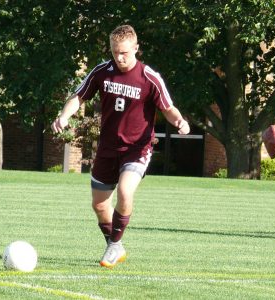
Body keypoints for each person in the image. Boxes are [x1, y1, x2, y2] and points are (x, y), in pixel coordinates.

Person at [51, 24, 190, 268]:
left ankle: (114, 244)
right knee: (99, 204)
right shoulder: (102, 72)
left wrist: (179, 121)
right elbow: (78, 97)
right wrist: (64, 117)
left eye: (124, 52)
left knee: (125, 191)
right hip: (107, 148)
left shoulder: (149, 77)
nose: (119, 57)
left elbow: (168, 108)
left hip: (137, 149)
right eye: (115, 52)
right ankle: (114, 245)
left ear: (136, 48)